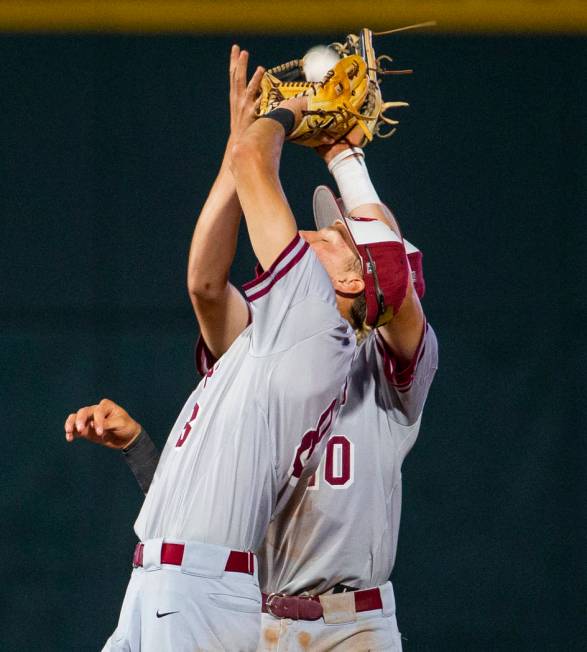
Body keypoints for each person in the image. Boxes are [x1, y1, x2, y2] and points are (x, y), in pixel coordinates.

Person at [65, 46, 357, 652]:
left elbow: (257, 160)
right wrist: (234, 155)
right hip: (164, 584)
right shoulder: (275, 336)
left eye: (331, 237)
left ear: (352, 282)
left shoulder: (316, 326)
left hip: (201, 588)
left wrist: (301, 109)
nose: (310, 230)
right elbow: (202, 281)